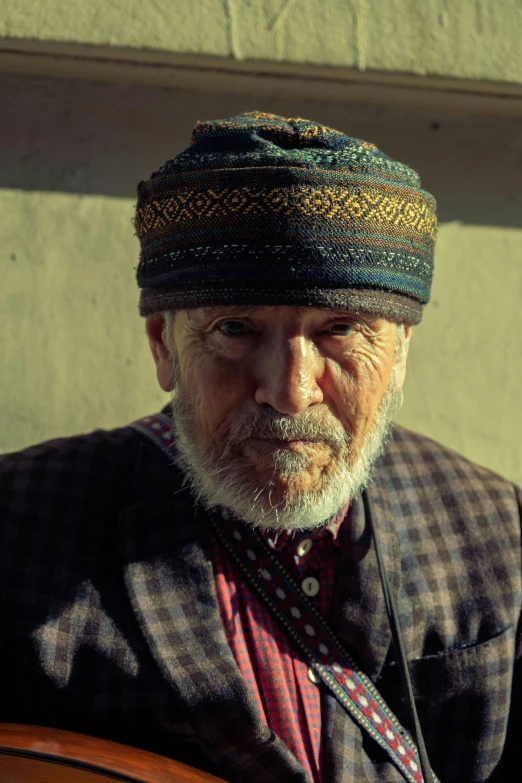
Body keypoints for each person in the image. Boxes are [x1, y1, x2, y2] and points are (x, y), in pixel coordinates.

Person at [0, 111, 520, 783]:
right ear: (163, 344)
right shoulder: (19, 527)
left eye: (341, 328)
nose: (291, 390)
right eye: (236, 327)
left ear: (399, 356)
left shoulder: (495, 535)